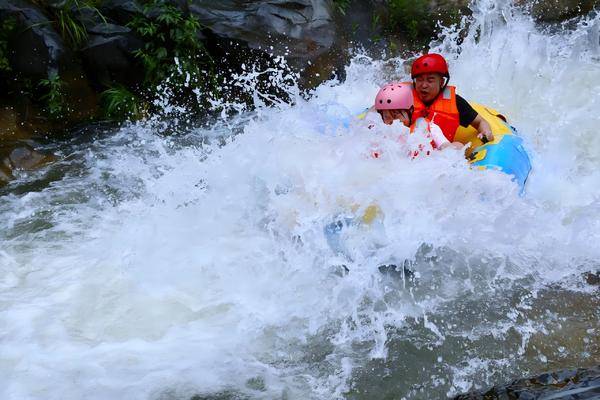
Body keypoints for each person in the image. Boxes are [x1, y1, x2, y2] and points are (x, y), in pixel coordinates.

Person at [410, 53, 494, 143]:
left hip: (442, 152)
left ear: (441, 82)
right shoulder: (404, 99)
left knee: (458, 146)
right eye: (419, 80)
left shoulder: (456, 103)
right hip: (409, 150)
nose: (424, 85)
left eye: (430, 80)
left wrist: (486, 132)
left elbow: (480, 122)